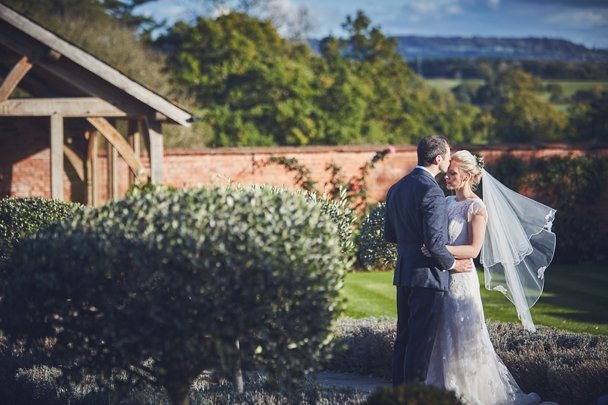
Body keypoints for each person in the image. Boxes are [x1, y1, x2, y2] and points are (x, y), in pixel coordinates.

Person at [425, 150, 557, 405]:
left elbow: (474, 249)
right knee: (441, 336)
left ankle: (469, 394)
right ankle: (439, 392)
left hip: (462, 280)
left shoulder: (477, 207)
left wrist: (438, 249)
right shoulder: (447, 203)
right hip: (442, 277)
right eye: (448, 172)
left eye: (453, 173)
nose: (447, 178)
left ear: (467, 176)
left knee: (464, 336)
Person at [384, 136, 473, 387]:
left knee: (404, 338)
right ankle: (413, 398)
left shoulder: (396, 188)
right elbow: (435, 244)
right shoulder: (432, 191)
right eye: (447, 156)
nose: (448, 160)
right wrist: (454, 265)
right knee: (420, 344)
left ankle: (397, 395)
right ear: (438, 159)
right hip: (428, 276)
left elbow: (390, 235)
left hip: (404, 273)